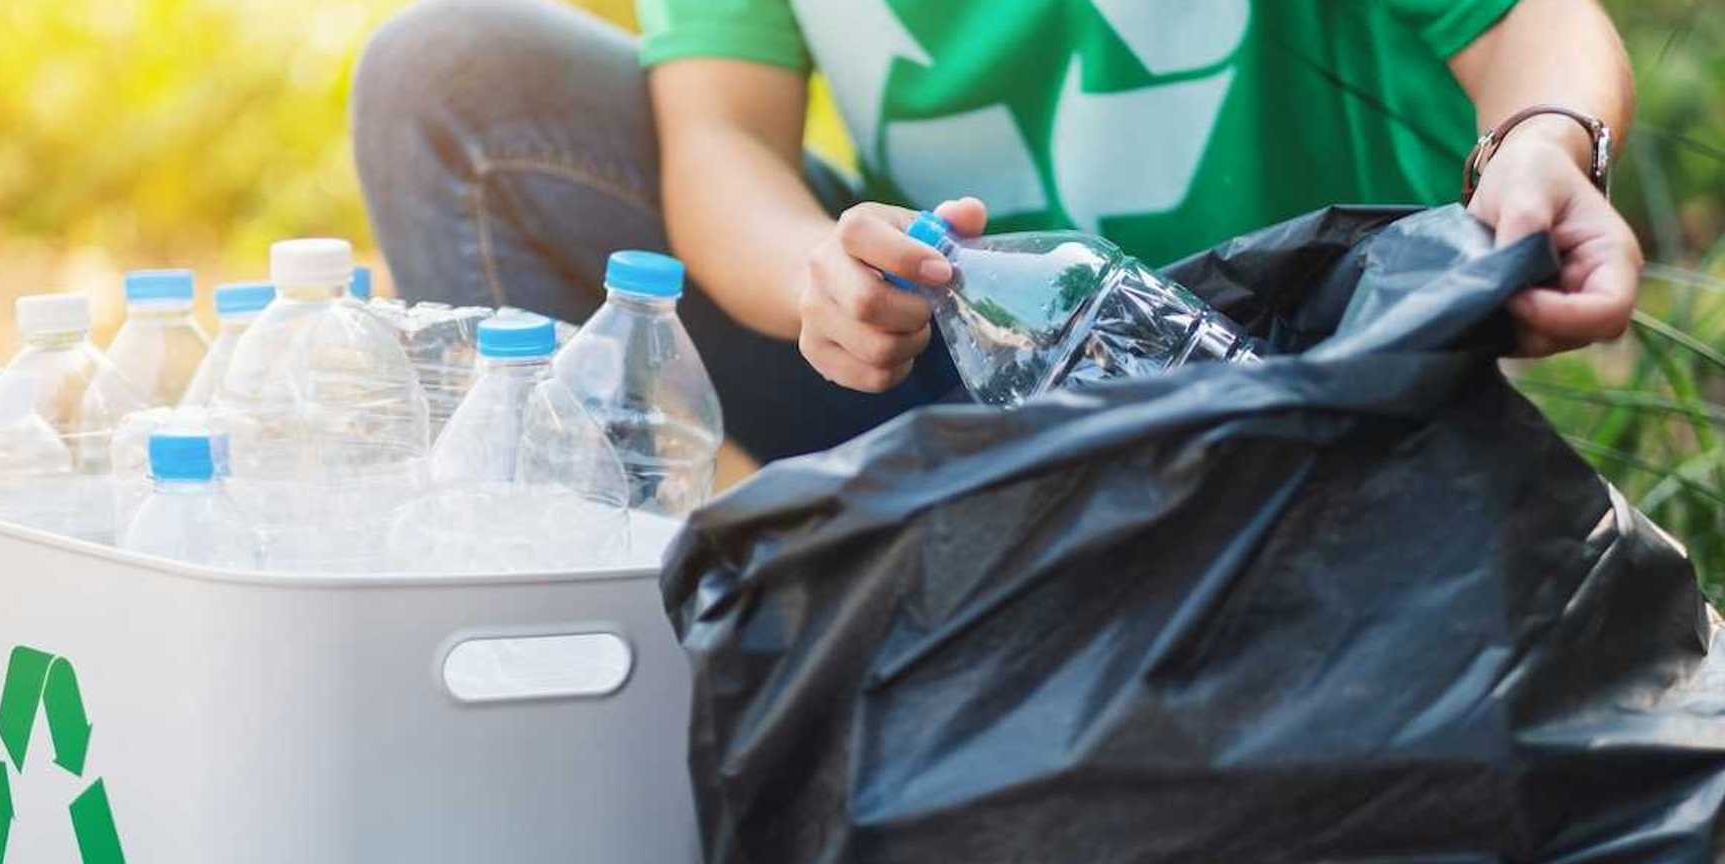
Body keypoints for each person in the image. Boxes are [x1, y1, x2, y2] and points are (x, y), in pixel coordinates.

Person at [353, 0, 1641, 463]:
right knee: (455, 81)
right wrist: (818, 274)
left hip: (1301, 403)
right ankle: (625, 669)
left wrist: (1545, 141)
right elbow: (722, 140)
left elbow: (1533, 21)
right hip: (963, 374)